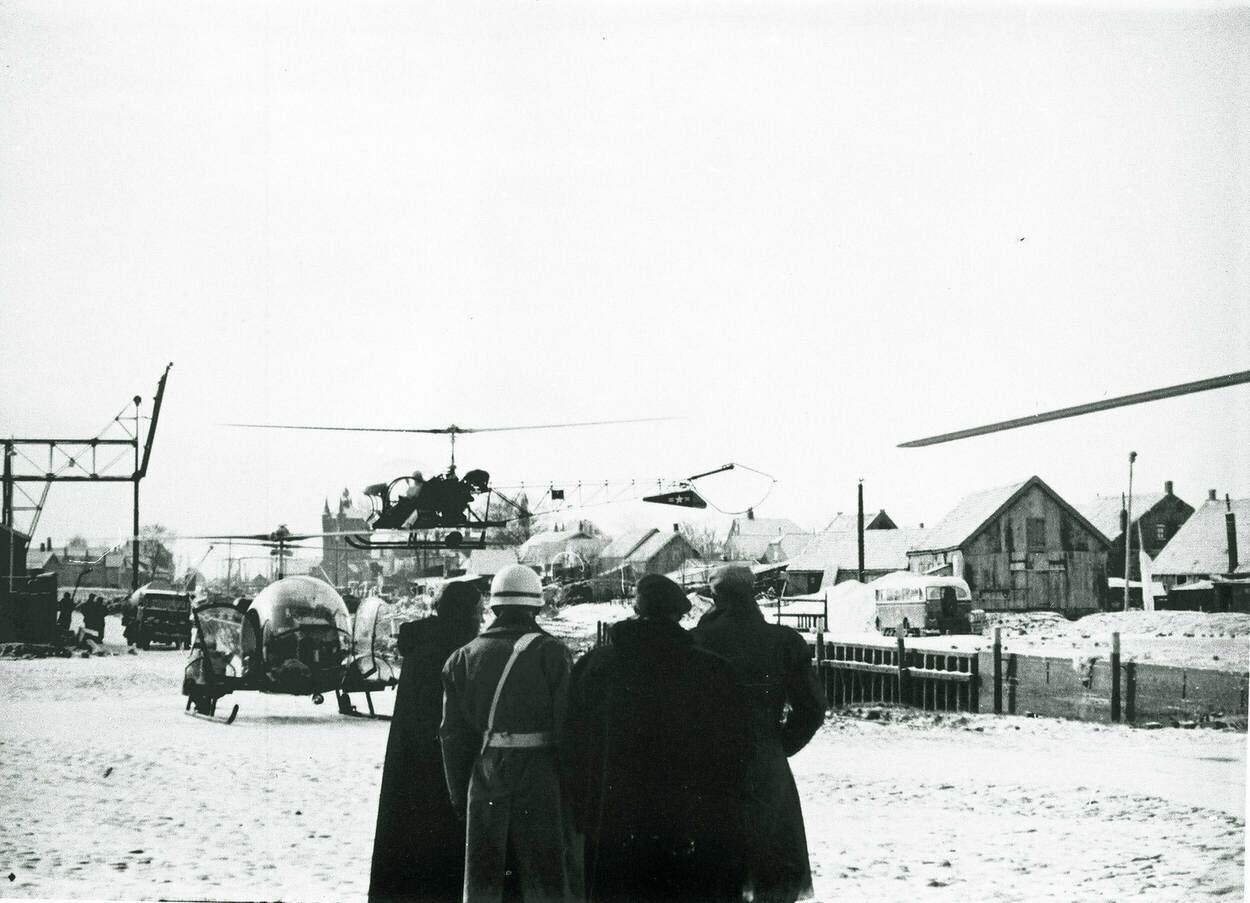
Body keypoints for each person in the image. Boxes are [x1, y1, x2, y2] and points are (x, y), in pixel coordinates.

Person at [564, 574, 752, 903]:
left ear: (635, 610)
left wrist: (583, 809)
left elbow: (572, 745)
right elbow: (735, 753)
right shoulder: (713, 671)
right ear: (678, 615)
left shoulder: (595, 666)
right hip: (688, 823)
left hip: (612, 821)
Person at [440, 564, 582, 903]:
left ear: (494, 606)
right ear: (537, 604)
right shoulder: (552, 652)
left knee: (487, 876)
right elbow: (568, 729)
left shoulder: (461, 658)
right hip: (541, 777)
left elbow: (451, 737)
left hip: (487, 774)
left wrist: (461, 794)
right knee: (544, 875)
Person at [691, 565, 827, 903]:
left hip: (708, 765)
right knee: (773, 863)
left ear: (715, 595)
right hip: (766, 764)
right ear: (752, 593)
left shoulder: (696, 641)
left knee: (713, 868)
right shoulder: (783, 642)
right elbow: (812, 708)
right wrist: (779, 745)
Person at [369, 580, 484, 903]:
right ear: (465, 614)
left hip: (411, 771)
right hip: (440, 774)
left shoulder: (424, 647)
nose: (480, 621)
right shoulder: (452, 654)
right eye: (478, 613)